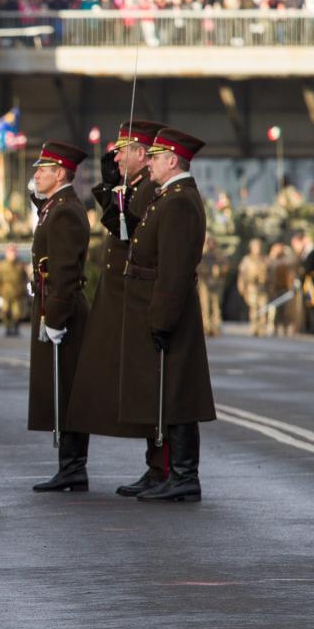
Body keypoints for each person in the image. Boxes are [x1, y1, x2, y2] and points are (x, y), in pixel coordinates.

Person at [64, 120, 167, 497]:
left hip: (136, 298)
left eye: (124, 150)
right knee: (131, 385)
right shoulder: (137, 188)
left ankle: (164, 468)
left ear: (143, 154)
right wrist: (109, 188)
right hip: (121, 297)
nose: (117, 156)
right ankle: (156, 467)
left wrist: (112, 191)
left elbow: (130, 231)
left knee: (151, 386)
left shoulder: (151, 191)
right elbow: (120, 227)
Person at [118, 127, 215, 502]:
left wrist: (161, 320)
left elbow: (173, 270)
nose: (151, 163)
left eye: (156, 157)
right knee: (167, 392)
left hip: (169, 309)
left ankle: (183, 475)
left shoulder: (178, 201)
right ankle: (169, 472)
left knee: (177, 393)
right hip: (158, 305)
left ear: (172, 160)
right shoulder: (169, 197)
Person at [25, 141, 91, 493]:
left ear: (61, 174)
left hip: (61, 307)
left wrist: (56, 318)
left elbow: (64, 271)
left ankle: (73, 466)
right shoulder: (56, 207)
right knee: (60, 387)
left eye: (43, 170)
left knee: (66, 388)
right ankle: (69, 465)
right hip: (52, 303)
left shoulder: (65, 211)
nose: (36, 174)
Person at [0, 245, 29, 337]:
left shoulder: (20, 264)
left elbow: (25, 278)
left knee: (17, 313)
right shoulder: (2, 265)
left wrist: (25, 291)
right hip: (6, 292)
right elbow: (0, 279)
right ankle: (8, 329)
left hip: (18, 292)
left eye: (14, 252)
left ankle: (16, 329)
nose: (12, 254)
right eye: (10, 252)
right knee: (5, 312)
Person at [237, 239, 270, 335]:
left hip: (263, 287)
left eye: (259, 247)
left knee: (263, 307)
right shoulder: (247, 260)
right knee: (254, 307)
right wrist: (241, 287)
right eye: (255, 247)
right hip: (252, 288)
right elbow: (242, 275)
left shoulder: (264, 259)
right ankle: (254, 327)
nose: (257, 249)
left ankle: (262, 328)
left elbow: (270, 274)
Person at [198, 235, 228, 338]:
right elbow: (198, 267)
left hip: (216, 284)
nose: (211, 245)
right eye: (209, 242)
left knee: (216, 306)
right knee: (205, 306)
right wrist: (209, 272)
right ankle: (206, 328)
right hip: (205, 283)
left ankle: (216, 328)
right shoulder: (203, 254)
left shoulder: (219, 255)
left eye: (212, 243)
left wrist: (218, 271)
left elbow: (225, 267)